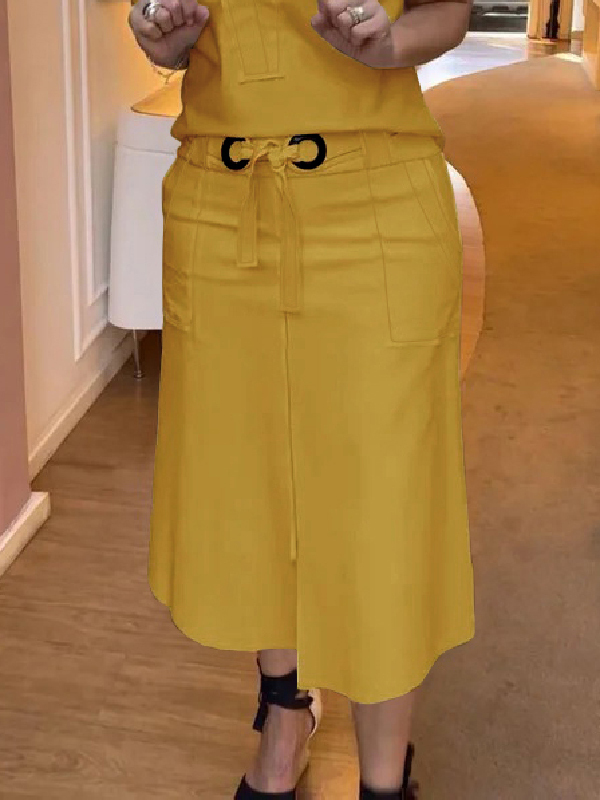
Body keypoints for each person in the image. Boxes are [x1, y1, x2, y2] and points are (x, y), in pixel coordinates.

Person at [127, 0, 475, 796]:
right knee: (251, 492)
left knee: (384, 505)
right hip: (219, 205)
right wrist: (168, 41)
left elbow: (450, 10)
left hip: (375, 198)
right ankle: (285, 723)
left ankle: (385, 777)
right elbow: (173, 32)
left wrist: (391, 43)